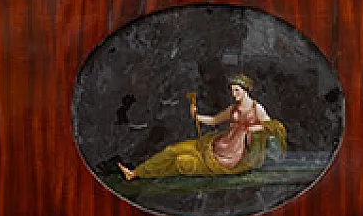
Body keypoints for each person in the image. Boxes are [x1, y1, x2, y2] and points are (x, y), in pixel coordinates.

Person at [119, 77, 286, 181]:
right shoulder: (233, 108)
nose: (234, 94)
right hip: (217, 144)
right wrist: (197, 116)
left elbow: (271, 126)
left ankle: (142, 174)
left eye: (237, 90)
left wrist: (249, 129)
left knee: (181, 162)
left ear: (245, 91)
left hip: (232, 156)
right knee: (172, 150)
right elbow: (214, 120)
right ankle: (134, 173)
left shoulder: (257, 108)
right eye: (232, 90)